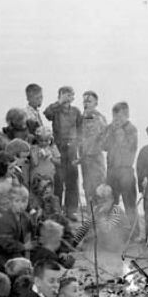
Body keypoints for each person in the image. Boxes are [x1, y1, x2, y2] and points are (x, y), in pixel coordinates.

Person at [44, 86, 83, 219]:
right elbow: (47, 114)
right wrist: (59, 102)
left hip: (71, 150)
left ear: (73, 97)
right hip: (58, 149)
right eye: (64, 94)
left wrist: (77, 145)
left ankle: (71, 211)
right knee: (58, 180)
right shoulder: (55, 110)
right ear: (59, 95)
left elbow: (81, 130)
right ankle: (57, 210)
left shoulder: (76, 111)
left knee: (72, 180)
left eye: (70, 94)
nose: (68, 97)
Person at [102, 102, 139, 230]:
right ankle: (113, 230)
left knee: (129, 202)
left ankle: (135, 232)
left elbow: (130, 147)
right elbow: (104, 146)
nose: (117, 120)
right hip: (111, 170)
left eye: (121, 117)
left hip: (126, 170)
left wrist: (119, 131)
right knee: (111, 201)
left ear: (127, 115)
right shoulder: (110, 128)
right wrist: (110, 131)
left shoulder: (132, 129)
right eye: (115, 117)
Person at [71, 184, 129, 251]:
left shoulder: (116, 209)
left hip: (119, 237)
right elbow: (85, 226)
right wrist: (74, 242)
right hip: (105, 237)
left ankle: (105, 247)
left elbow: (107, 229)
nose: (101, 202)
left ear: (112, 199)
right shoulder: (97, 209)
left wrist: (101, 214)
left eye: (105, 200)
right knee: (89, 236)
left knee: (96, 234)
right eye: (99, 199)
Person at [0, 185, 33, 268]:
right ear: (10, 202)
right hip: (4, 256)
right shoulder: (4, 220)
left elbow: (30, 232)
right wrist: (24, 247)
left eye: (24, 201)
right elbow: (6, 244)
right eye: (17, 201)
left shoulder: (26, 217)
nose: (21, 205)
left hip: (19, 252)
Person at [80, 90, 108, 202]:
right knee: (87, 186)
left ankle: (101, 215)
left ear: (96, 103)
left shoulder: (100, 118)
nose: (86, 104)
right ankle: (90, 214)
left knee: (99, 186)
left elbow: (106, 138)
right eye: (84, 101)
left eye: (89, 101)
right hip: (84, 158)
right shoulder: (81, 118)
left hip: (95, 158)